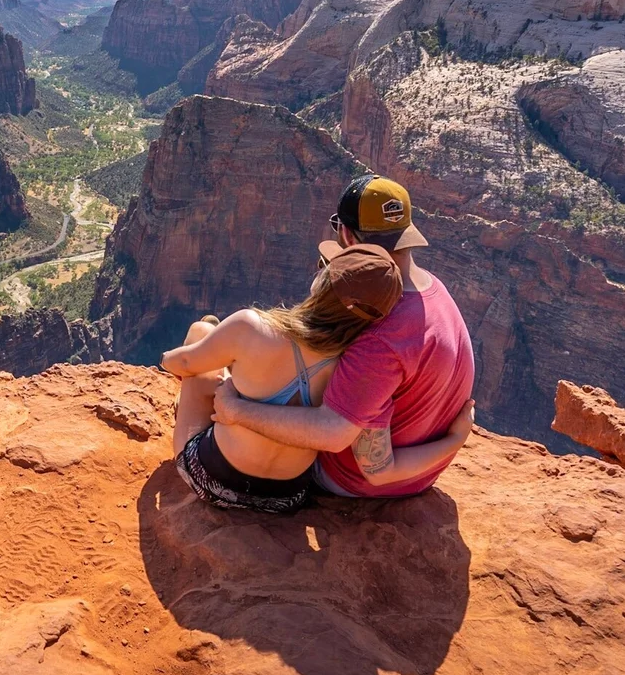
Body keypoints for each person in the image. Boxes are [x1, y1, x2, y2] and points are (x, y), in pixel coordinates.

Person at [212, 173, 476, 498]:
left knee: (244, 380)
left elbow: (350, 447)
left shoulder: (379, 330)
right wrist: (451, 444)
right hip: (422, 475)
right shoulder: (432, 288)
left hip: (352, 482)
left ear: (347, 235)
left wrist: (236, 410)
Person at [161, 242, 408, 514]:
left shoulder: (251, 326)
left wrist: (166, 360)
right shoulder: (357, 367)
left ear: (323, 284)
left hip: (211, 480)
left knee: (202, 330)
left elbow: (184, 363)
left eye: (323, 267)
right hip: (286, 498)